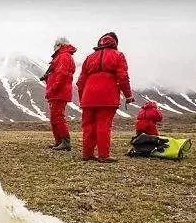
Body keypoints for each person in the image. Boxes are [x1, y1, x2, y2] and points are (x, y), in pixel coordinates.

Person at [76, 32, 134, 162]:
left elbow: (80, 82)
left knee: (88, 126)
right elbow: (123, 77)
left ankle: (87, 154)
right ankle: (103, 155)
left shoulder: (89, 57)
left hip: (88, 96)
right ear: (115, 43)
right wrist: (128, 95)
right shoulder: (118, 55)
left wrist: (82, 99)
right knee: (103, 125)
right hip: (107, 96)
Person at [42, 37, 77, 151]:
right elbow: (58, 73)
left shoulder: (64, 56)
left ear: (60, 45)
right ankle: (59, 141)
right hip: (57, 92)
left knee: (58, 117)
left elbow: (62, 75)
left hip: (58, 92)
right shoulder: (62, 56)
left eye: (55, 45)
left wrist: (53, 88)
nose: (54, 48)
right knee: (55, 117)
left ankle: (65, 142)